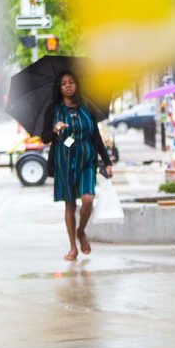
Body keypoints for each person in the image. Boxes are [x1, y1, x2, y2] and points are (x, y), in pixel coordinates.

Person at [41, 71, 113, 261]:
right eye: (64, 83)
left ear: (77, 85)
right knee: (70, 205)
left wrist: (106, 161)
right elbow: (44, 138)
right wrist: (55, 130)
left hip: (87, 161)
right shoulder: (54, 110)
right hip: (64, 162)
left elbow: (96, 136)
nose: (68, 86)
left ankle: (81, 231)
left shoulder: (86, 107)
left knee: (88, 199)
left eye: (71, 82)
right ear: (59, 87)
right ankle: (73, 247)